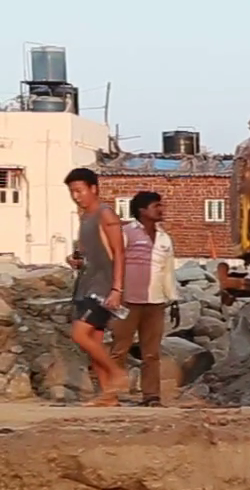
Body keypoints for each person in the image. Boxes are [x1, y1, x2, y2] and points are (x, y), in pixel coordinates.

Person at [63, 168, 128, 405]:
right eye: (72, 192)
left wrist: (117, 289)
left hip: (103, 287)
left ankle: (117, 373)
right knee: (95, 342)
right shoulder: (84, 218)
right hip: (86, 283)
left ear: (94, 189)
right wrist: (76, 260)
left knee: (80, 335)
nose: (76, 196)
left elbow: (120, 253)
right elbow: (89, 254)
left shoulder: (106, 214)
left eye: (80, 191)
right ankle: (108, 395)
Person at [110, 191, 179, 407]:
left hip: (155, 302)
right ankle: (110, 394)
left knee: (152, 353)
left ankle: (151, 396)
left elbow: (167, 271)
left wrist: (173, 299)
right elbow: (112, 262)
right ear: (141, 210)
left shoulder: (164, 238)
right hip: (127, 300)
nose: (161, 210)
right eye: (156, 206)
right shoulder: (126, 233)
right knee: (119, 349)